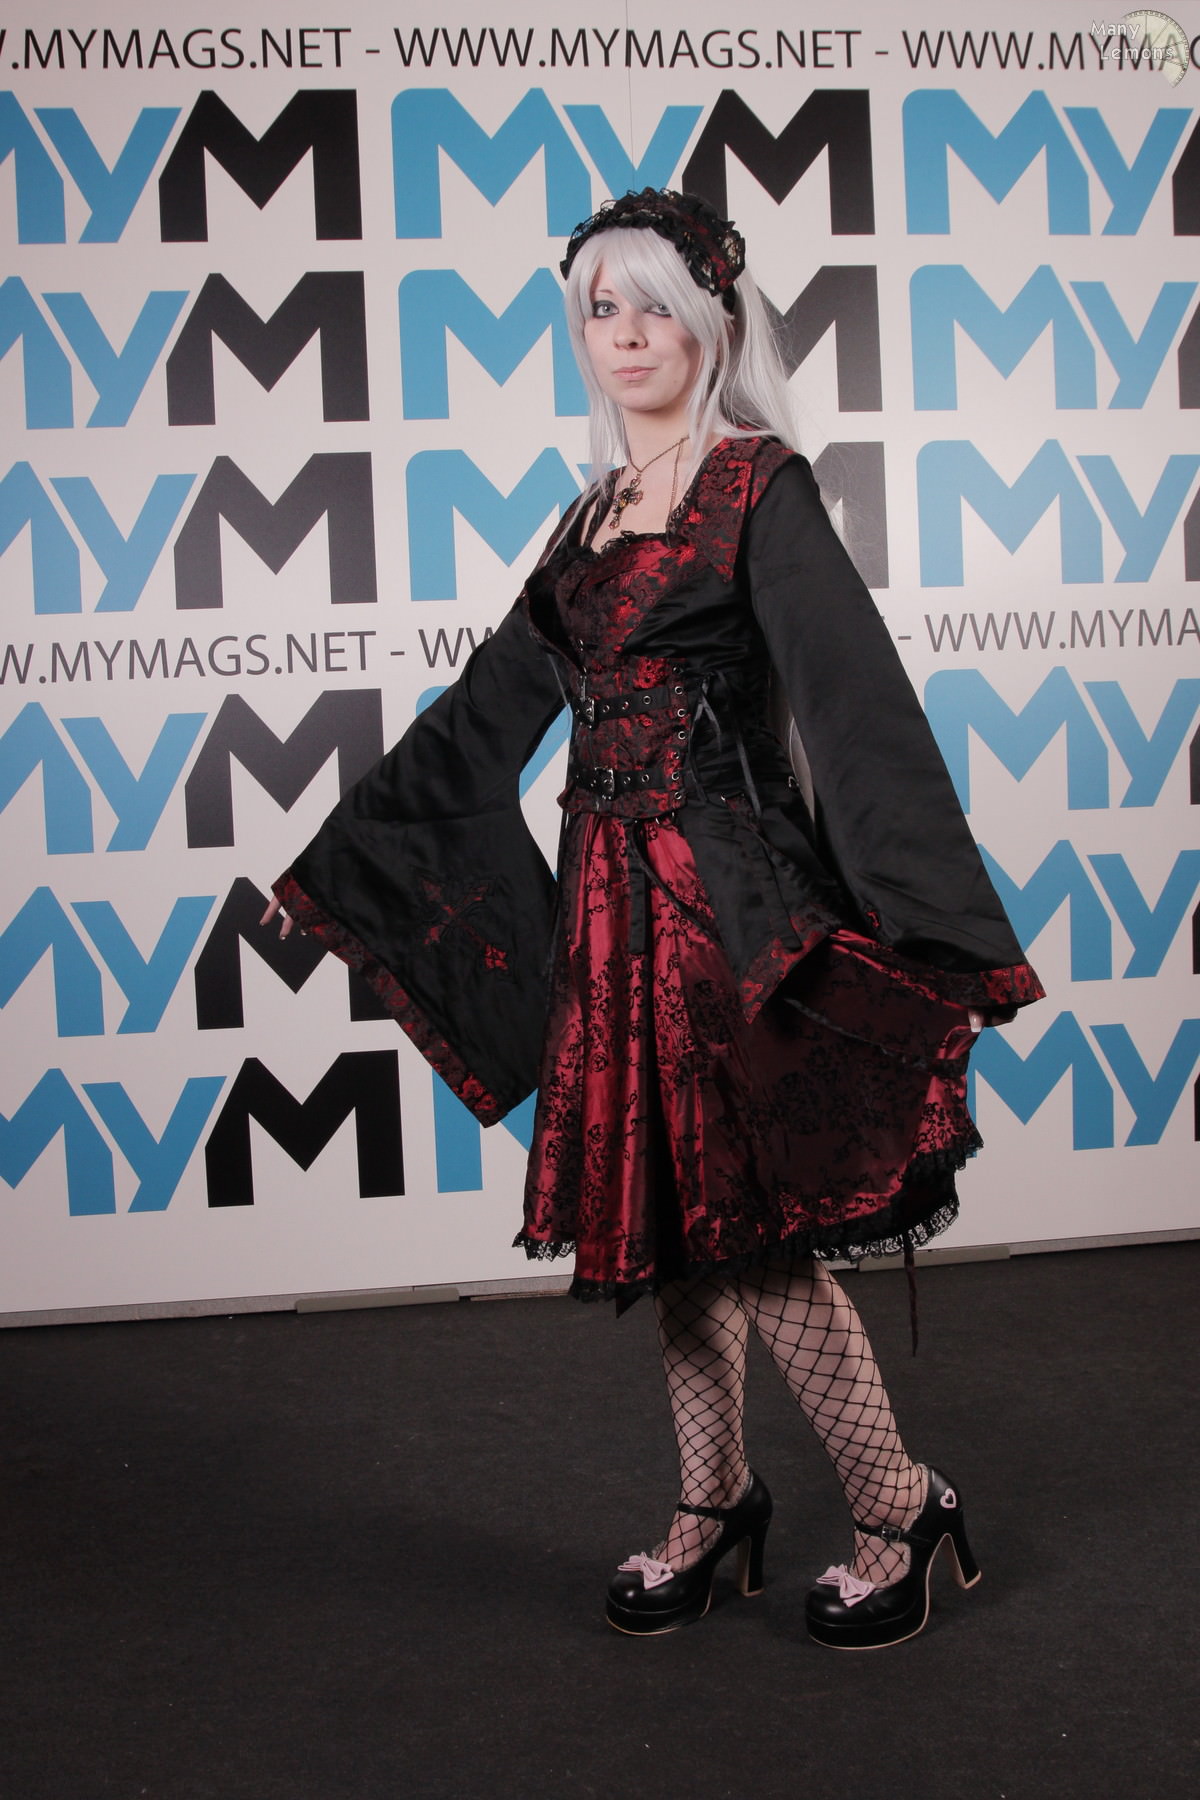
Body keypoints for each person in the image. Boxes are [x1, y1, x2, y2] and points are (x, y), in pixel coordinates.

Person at [263, 188, 1043, 1650]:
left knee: (756, 1229)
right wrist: (345, 858)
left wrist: (938, 928)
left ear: (710, 323)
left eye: (650, 307)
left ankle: (903, 1502)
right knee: (670, 1219)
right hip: (613, 920)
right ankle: (715, 1500)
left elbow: (856, 707)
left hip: (732, 914)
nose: (623, 336)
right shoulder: (588, 517)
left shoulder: (757, 487)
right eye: (598, 311)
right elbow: (487, 713)